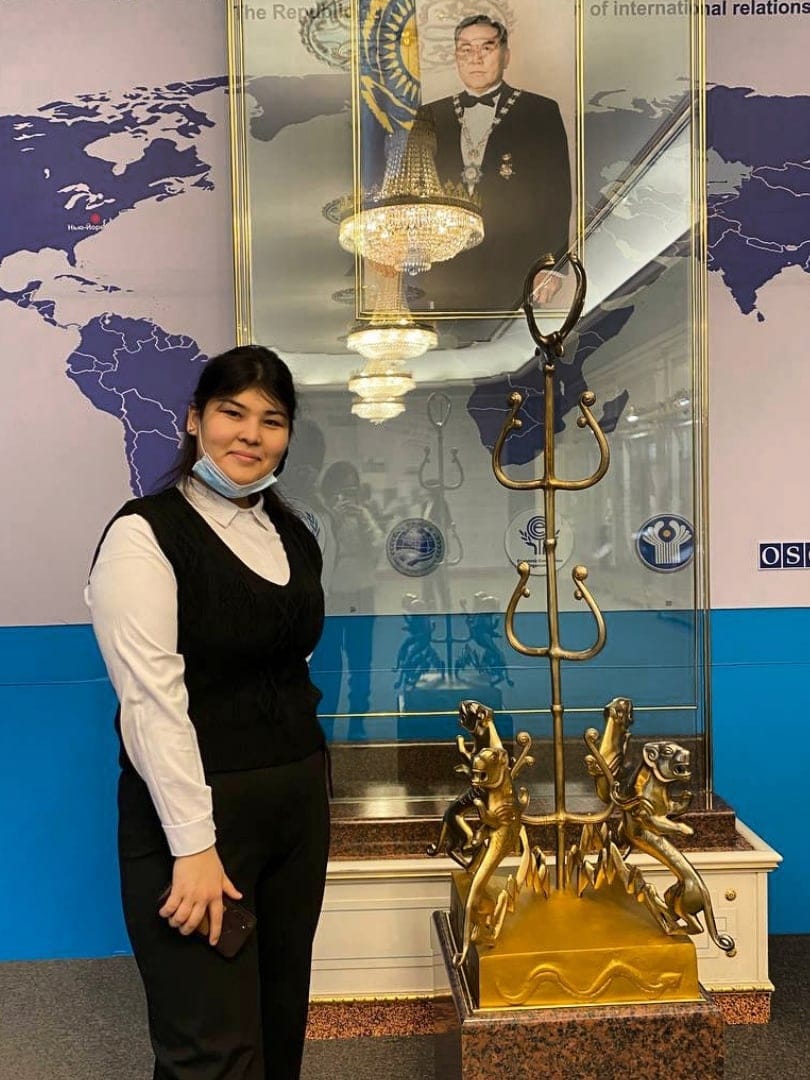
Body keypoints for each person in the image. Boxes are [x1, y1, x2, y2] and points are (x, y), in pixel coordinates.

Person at [86, 345, 330, 1080]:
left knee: (278, 1025)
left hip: (294, 810)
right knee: (213, 1052)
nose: (251, 434)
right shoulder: (143, 534)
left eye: (272, 420)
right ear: (195, 420)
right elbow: (150, 702)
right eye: (233, 412)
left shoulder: (292, 534)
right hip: (194, 820)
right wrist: (193, 845)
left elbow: (286, 667)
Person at [411, 14, 572, 314]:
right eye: (466, 49)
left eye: (487, 47)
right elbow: (415, 198)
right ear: (456, 57)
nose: (476, 58)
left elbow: (556, 196)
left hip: (517, 270)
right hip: (445, 273)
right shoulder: (430, 116)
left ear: (506, 55)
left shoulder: (539, 112)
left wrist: (552, 265)